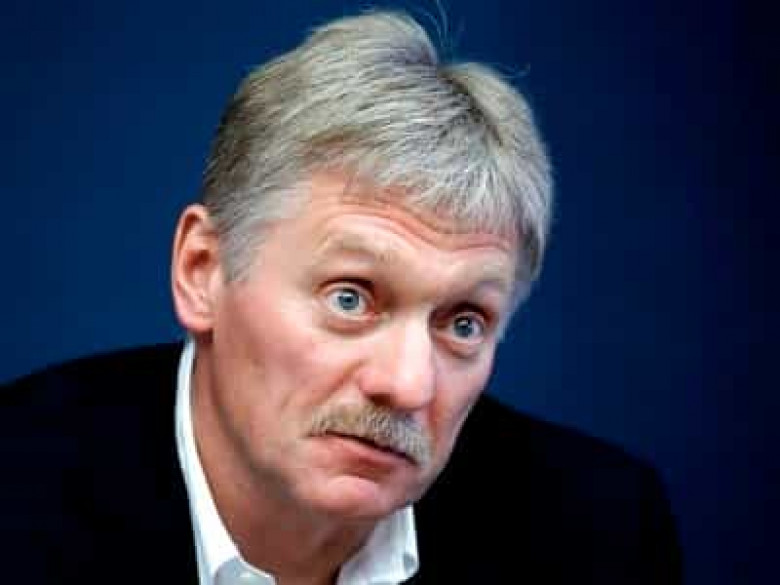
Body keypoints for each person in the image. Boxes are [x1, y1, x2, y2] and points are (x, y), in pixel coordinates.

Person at [0, 10, 681, 585]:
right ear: (202, 271)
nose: (408, 385)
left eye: (463, 323)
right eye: (351, 299)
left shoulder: (597, 537)